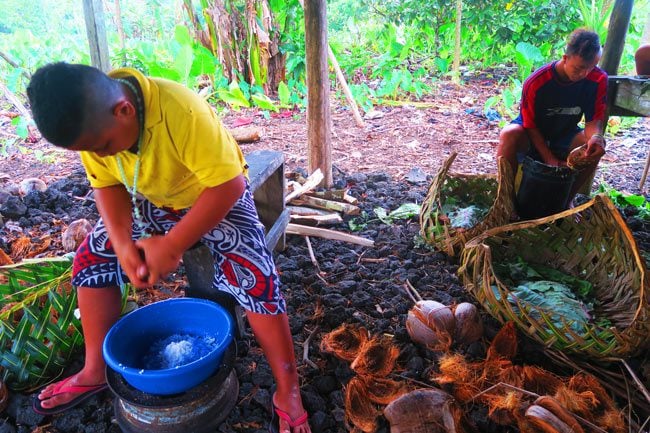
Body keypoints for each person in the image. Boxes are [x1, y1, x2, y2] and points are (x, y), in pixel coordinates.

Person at [27, 62, 311, 433]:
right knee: (91, 258)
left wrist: (173, 244)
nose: (102, 156)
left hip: (214, 195)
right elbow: (107, 186)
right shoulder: (92, 125)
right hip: (151, 198)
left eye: (105, 147)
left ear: (124, 110)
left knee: (256, 274)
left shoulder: (181, 111)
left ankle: (287, 388)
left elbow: (229, 187)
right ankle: (96, 368)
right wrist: (123, 244)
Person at [497, 28, 607, 200]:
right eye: (579, 68)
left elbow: (593, 121)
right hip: (532, 133)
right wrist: (548, 158)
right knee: (509, 134)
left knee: (594, 148)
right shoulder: (537, 81)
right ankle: (505, 199)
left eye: (591, 68)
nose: (584, 74)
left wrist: (596, 137)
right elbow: (530, 125)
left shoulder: (598, 79)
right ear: (565, 58)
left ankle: (566, 201)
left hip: (565, 133)